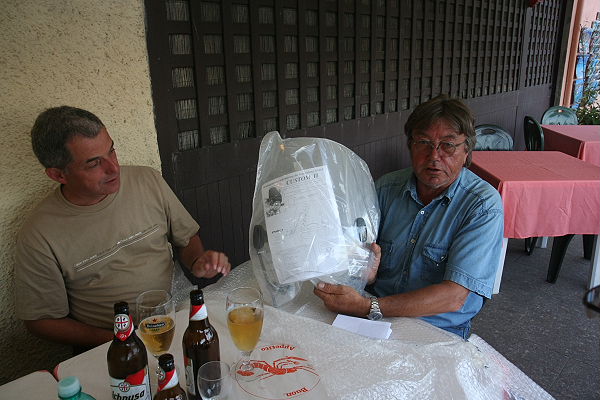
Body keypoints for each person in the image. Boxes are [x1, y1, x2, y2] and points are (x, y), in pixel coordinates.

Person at [15, 106, 231, 349]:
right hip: (110, 343)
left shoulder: (147, 180)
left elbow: (187, 237)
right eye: (94, 163)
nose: (113, 168)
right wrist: (122, 340)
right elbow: (41, 321)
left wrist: (198, 262)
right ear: (58, 175)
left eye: (112, 151)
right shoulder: (40, 234)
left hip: (175, 314)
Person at [314, 95, 504, 338]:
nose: (434, 156)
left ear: (466, 150)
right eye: (423, 142)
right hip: (373, 316)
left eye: (448, 145)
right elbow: (357, 256)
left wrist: (368, 307)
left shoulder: (482, 205)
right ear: (410, 146)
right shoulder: (385, 188)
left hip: (437, 330)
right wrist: (364, 273)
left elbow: (454, 297)